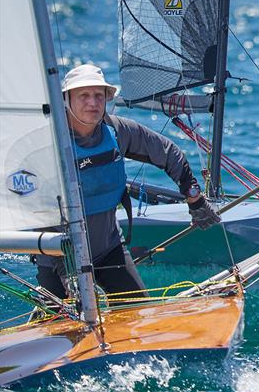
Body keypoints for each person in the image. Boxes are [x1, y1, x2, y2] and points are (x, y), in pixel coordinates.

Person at [35, 64, 220, 302]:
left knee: (139, 312)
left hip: (108, 251)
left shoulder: (116, 130)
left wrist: (195, 199)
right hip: (58, 259)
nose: (92, 102)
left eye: (98, 96)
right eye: (84, 96)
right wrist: (64, 268)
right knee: (63, 333)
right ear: (65, 99)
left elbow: (168, 152)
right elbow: (35, 207)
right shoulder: (48, 143)